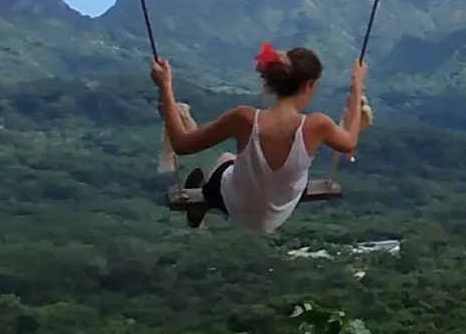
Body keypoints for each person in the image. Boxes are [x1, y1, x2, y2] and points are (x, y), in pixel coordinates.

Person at [151, 43, 368, 232]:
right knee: (293, 175)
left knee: (226, 158)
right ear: (307, 85)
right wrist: (356, 86)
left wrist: (165, 86)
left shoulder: (243, 118)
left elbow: (182, 144)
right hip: (279, 212)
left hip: (234, 206)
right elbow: (350, 141)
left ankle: (205, 186)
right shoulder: (317, 125)